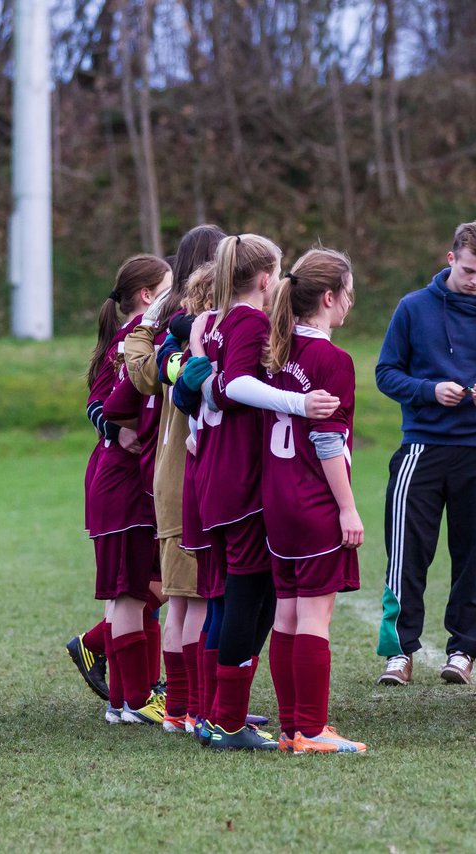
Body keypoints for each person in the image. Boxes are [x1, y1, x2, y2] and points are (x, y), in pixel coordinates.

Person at [186, 234, 336, 750]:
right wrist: (298, 404)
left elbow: (208, 388)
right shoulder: (248, 321)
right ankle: (227, 721)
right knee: (251, 600)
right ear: (268, 279)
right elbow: (235, 387)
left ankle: (212, 714)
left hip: (214, 474)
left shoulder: (217, 322)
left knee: (234, 600)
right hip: (241, 481)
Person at [374, 220, 476, 686]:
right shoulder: (412, 308)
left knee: (475, 554)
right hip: (422, 446)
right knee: (407, 553)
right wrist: (427, 390)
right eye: (468, 270)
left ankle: (463, 651)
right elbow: (386, 373)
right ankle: (399, 653)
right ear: (450, 259)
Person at [262, 247, 367, 753]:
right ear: (328, 297)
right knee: (314, 617)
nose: (351, 303)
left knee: (286, 613)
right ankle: (311, 727)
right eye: (347, 293)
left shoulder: (274, 354)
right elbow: (329, 441)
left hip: (276, 500)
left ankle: (289, 728)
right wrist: (347, 506)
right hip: (313, 500)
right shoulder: (332, 359)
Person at [122, 224, 225, 733]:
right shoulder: (204, 328)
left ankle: (185, 708)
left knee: (182, 598)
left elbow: (139, 370)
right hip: (195, 469)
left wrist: (147, 323)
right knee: (195, 596)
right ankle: (193, 709)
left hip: (169, 469)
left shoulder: (165, 329)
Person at [83, 254, 170, 725]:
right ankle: (132, 700)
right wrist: (118, 432)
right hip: (122, 482)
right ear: (148, 295)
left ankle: (127, 699)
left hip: (126, 479)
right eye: (169, 286)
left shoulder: (130, 340)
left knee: (138, 591)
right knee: (131, 594)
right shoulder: (136, 343)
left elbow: (97, 402)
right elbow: (105, 404)